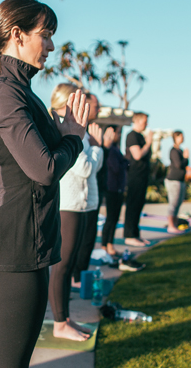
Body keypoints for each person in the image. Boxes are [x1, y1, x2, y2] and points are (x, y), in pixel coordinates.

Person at [0, 0, 90, 368]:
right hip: (13, 258)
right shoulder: (5, 92)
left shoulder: (21, 91)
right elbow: (45, 169)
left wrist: (66, 135)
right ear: (18, 35)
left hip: (27, 252)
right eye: (46, 35)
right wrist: (73, 138)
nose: (52, 45)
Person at [48, 85, 105, 341]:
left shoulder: (74, 126)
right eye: (79, 97)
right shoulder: (64, 127)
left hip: (78, 204)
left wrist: (93, 148)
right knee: (62, 267)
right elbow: (84, 168)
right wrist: (97, 147)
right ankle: (59, 324)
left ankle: (66, 319)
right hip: (68, 204)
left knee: (69, 265)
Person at [71, 93, 115, 291]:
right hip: (75, 202)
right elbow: (86, 168)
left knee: (88, 241)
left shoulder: (89, 134)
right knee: (77, 244)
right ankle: (75, 278)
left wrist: (98, 147)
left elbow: (94, 168)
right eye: (96, 104)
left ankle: (80, 277)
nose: (99, 108)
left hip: (90, 199)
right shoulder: (78, 132)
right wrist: (98, 148)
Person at [124, 112, 153, 247]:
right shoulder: (132, 136)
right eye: (145, 121)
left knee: (139, 205)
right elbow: (137, 155)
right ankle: (129, 235)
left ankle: (136, 234)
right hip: (135, 176)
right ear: (137, 120)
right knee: (133, 205)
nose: (146, 124)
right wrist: (148, 143)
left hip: (143, 176)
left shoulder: (140, 136)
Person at [101, 126, 128, 256]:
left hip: (117, 188)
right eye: (118, 133)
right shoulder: (111, 150)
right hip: (112, 188)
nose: (119, 135)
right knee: (111, 219)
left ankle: (108, 244)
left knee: (114, 218)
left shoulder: (116, 149)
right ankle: (105, 245)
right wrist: (125, 162)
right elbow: (117, 168)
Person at [165, 130, 189, 233]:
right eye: (181, 136)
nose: (183, 138)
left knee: (178, 203)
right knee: (173, 203)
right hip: (173, 180)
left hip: (180, 180)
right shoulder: (174, 151)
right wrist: (185, 157)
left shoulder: (180, 150)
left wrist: (185, 158)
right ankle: (170, 226)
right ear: (176, 137)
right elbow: (179, 165)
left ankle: (174, 224)